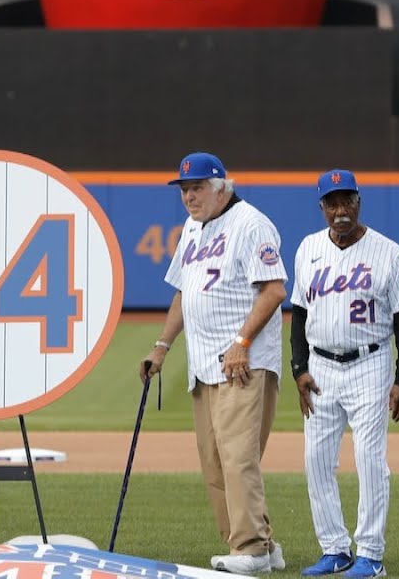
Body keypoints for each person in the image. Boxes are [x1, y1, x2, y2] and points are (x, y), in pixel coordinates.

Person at [141, 152, 288, 576]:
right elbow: (184, 294)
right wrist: (162, 347)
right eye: (185, 189)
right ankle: (261, 544)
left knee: (239, 457)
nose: (189, 196)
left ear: (221, 186)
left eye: (198, 187)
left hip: (243, 363)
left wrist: (242, 342)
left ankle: (251, 550)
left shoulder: (251, 224)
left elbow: (274, 291)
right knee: (215, 461)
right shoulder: (191, 228)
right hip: (203, 364)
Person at [289, 170, 399, 578]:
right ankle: (334, 549)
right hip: (321, 368)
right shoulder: (308, 248)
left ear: (359, 202)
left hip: (370, 364)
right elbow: (299, 313)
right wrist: (299, 368)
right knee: (315, 459)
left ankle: (370, 554)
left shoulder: (387, 251)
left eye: (347, 201)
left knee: (369, 459)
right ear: (322, 208)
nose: (340, 210)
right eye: (332, 203)